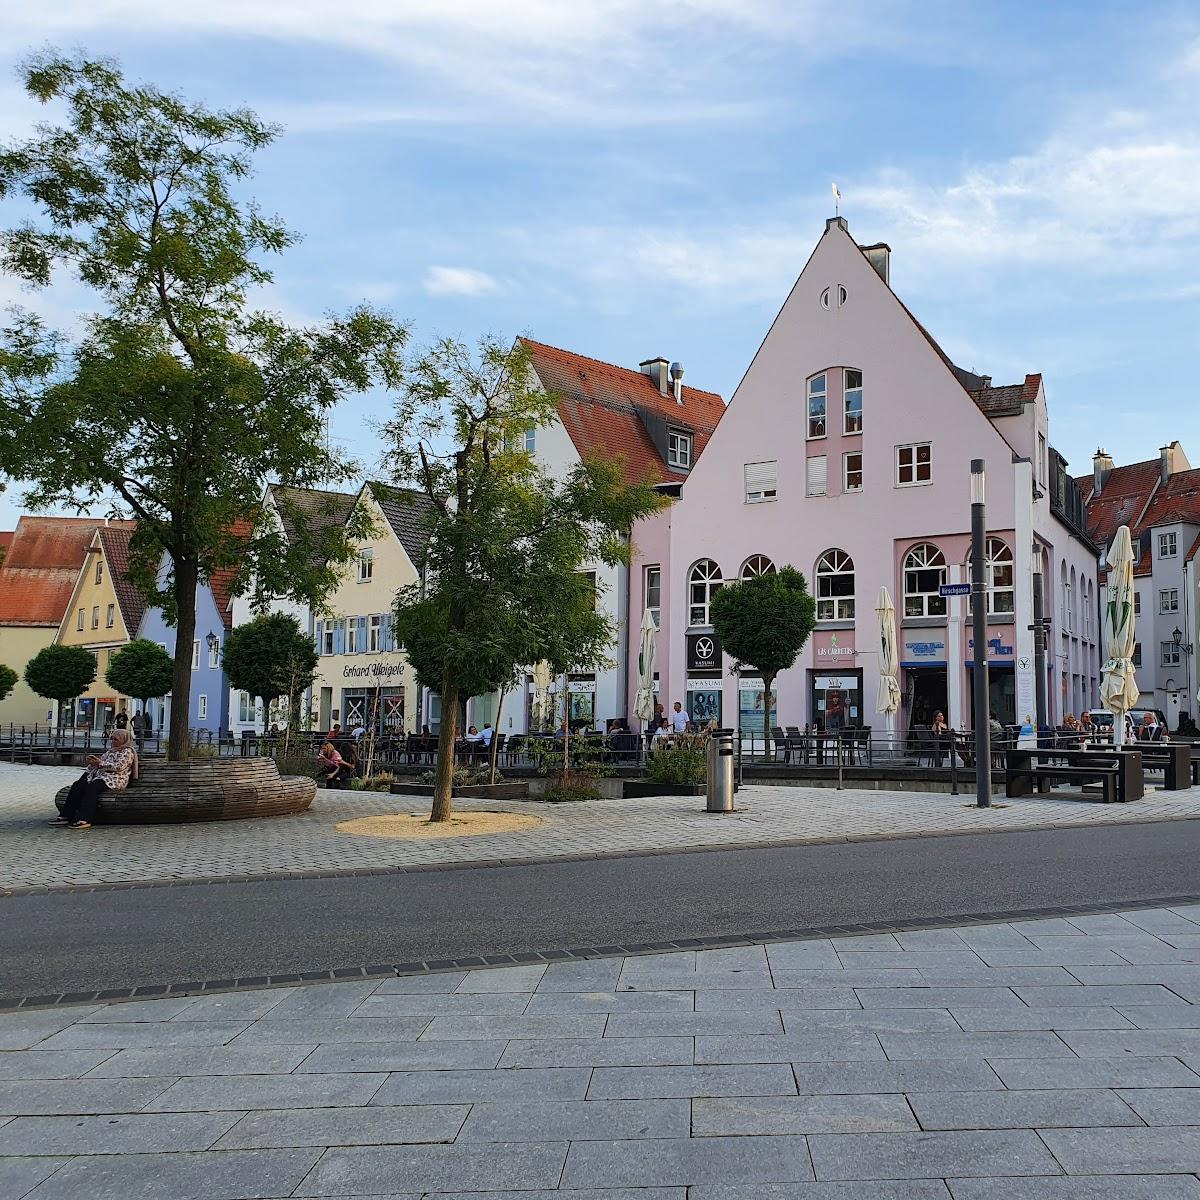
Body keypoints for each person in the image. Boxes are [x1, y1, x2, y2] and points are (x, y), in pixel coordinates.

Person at [51, 727, 139, 830]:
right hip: (102, 775)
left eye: (116, 740)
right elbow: (102, 761)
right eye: (112, 739)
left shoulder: (127, 752)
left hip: (116, 778)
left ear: (123, 740)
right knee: (78, 785)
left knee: (93, 787)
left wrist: (100, 763)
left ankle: (85, 818)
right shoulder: (111, 751)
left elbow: (119, 767)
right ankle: (67, 815)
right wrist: (93, 762)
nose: (113, 742)